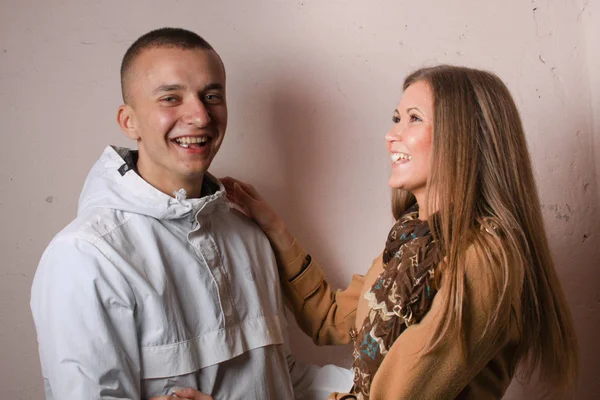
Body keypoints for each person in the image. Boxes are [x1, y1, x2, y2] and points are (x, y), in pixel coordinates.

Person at [223, 65, 579, 399]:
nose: (391, 135)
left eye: (413, 119)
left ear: (462, 137)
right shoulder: (412, 242)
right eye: (396, 118)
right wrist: (273, 227)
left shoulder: (482, 260)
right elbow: (331, 319)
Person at [30, 27, 317, 399]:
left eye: (211, 96)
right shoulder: (86, 257)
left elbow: (281, 378)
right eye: (171, 98)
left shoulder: (247, 233)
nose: (199, 115)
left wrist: (391, 381)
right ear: (128, 120)